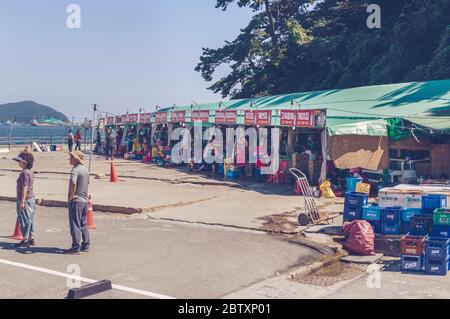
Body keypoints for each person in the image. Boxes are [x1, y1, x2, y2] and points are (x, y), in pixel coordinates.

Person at [65, 151, 90, 255]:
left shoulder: (75, 170)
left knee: (75, 223)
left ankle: (76, 246)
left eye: (71, 157)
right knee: (83, 223)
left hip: (77, 200)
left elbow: (73, 182)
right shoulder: (85, 170)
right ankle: (86, 244)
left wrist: (71, 196)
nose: (69, 159)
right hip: (84, 200)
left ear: (75, 159)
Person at [13, 152, 36, 248]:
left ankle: (25, 239)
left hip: (25, 199)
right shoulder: (30, 172)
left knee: (24, 219)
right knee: (31, 219)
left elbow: (25, 187)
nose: (18, 163)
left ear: (25, 162)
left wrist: (22, 201)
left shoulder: (24, 173)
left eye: (20, 161)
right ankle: (31, 238)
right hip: (31, 198)